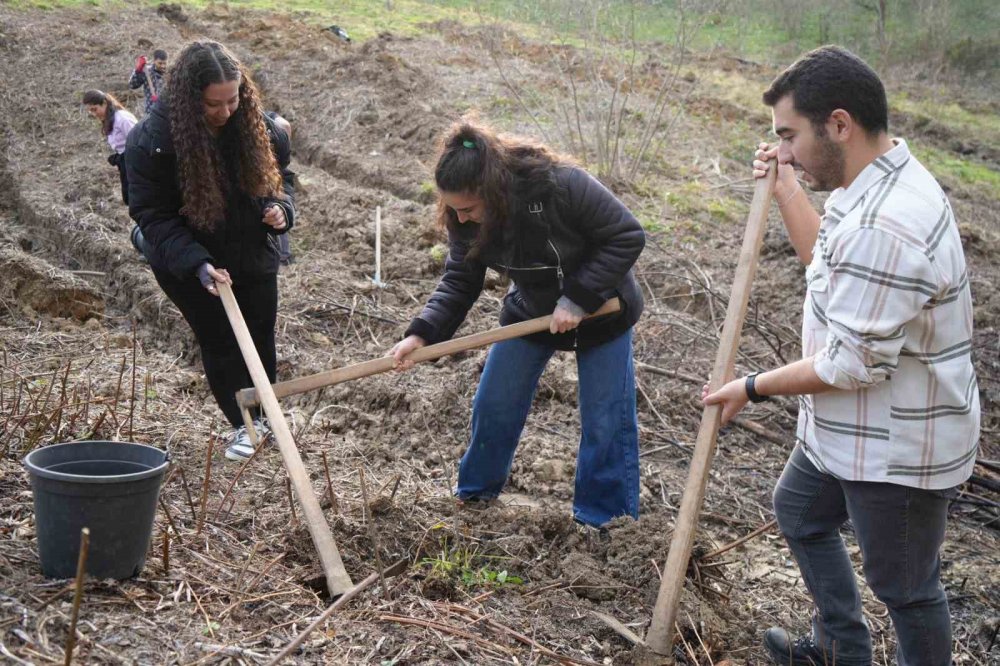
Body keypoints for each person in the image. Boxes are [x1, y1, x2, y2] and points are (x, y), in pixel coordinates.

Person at [702, 46, 979, 666]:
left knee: (906, 589)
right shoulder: (873, 184)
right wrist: (786, 187)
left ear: (839, 124)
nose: (783, 151)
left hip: (896, 448)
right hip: (847, 429)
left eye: (789, 136)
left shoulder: (886, 223)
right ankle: (840, 648)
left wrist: (752, 386)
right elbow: (823, 264)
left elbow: (850, 365)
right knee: (799, 511)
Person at [389, 120, 645, 529]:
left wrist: (578, 298)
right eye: (454, 210)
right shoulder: (463, 219)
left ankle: (604, 522)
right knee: (495, 403)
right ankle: (475, 497)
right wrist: (422, 332)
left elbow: (626, 235)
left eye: (468, 209)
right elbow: (460, 279)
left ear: (492, 191)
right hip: (531, 312)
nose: (461, 218)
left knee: (605, 420)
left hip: (602, 310)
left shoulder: (562, 185)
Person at [126, 40, 295, 462]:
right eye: (213, 104)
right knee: (220, 339)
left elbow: (281, 179)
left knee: (259, 334)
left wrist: (281, 209)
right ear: (188, 99)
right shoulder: (153, 143)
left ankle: (265, 418)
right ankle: (244, 425)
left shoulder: (257, 126)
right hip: (188, 257)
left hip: (250, 247)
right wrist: (196, 263)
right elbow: (153, 215)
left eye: (233, 99)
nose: (226, 112)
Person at [82, 90, 137, 204]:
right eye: (90, 111)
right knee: (129, 198)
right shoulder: (110, 120)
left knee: (137, 197)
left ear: (104, 103)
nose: (94, 114)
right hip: (125, 161)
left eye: (95, 109)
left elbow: (139, 140)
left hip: (135, 161)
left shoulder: (123, 119)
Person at [130, 48, 168, 114]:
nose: (163, 66)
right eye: (160, 63)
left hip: (166, 112)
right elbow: (132, 85)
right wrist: (137, 72)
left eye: (164, 63)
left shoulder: (170, 73)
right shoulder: (147, 71)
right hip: (150, 112)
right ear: (154, 61)